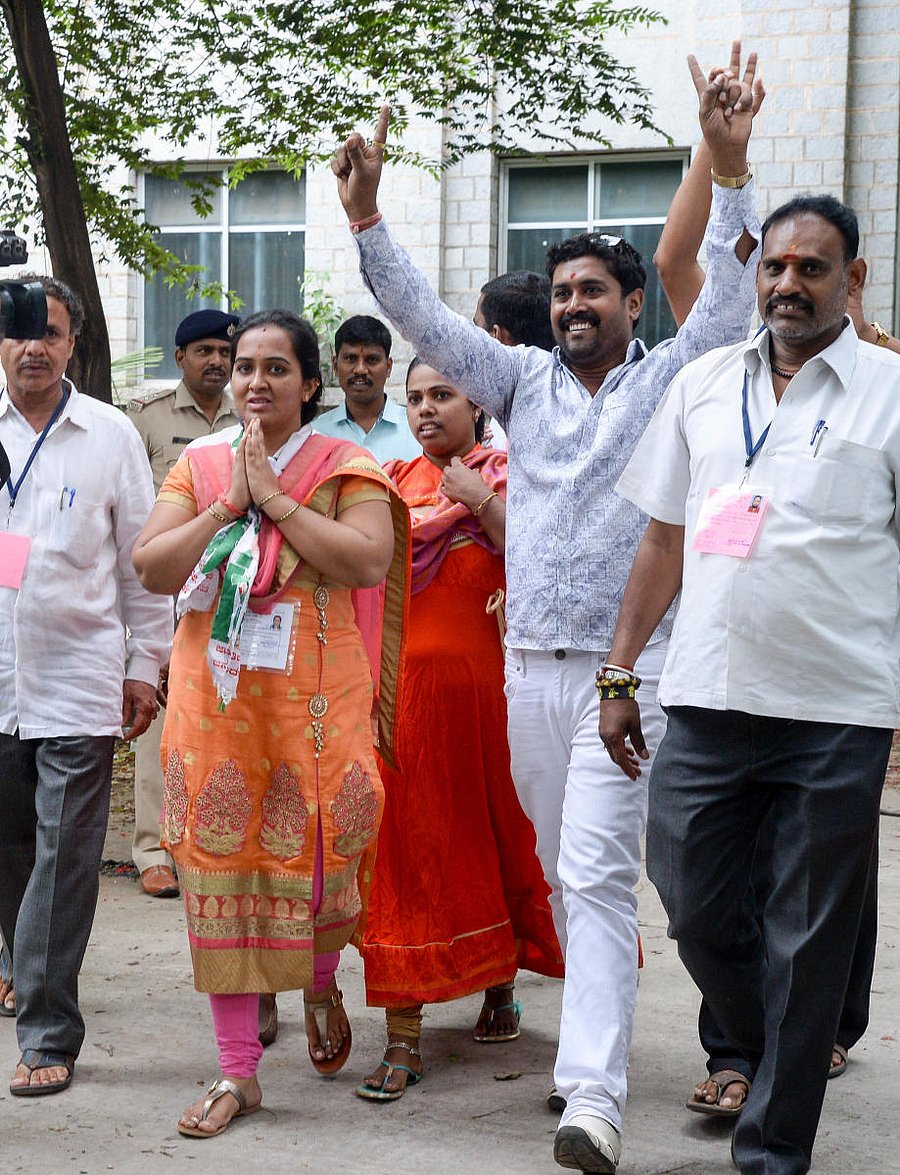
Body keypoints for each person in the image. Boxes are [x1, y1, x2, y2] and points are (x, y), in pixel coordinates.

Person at [332, 44, 762, 1174]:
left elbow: (730, 293)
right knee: (573, 873)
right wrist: (368, 218)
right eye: (561, 291)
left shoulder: (672, 376)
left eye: (593, 290)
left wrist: (729, 166)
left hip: (632, 671)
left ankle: (594, 1097)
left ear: (632, 304)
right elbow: (425, 321)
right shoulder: (518, 382)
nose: (573, 303)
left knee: (602, 868)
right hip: (528, 668)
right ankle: (591, 1049)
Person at [600, 194, 900, 1175]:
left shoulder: (891, 392)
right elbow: (663, 536)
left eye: (812, 267)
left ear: (853, 279)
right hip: (708, 694)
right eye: (775, 265)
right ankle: (785, 1034)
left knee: (808, 938)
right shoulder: (700, 383)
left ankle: (772, 1149)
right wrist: (619, 669)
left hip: (837, 709)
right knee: (688, 895)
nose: (787, 284)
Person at [132, 308, 409, 1139]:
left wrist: (279, 500)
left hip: (318, 707)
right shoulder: (201, 462)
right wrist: (228, 506)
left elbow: (368, 559)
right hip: (216, 708)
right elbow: (153, 566)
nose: (255, 380)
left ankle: (318, 977)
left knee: (322, 862)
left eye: (276, 367)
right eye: (246, 365)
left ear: (310, 383)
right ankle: (237, 1071)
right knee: (222, 869)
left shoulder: (345, 465)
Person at [355, 359, 563, 1101]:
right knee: (406, 854)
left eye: (441, 395)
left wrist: (482, 501)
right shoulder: (386, 484)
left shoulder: (513, 475)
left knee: (500, 841)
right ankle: (403, 1033)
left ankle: (499, 986)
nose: (425, 409)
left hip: (498, 710)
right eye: (414, 397)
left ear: (478, 404)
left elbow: (548, 561)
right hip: (405, 709)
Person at [0, 275, 172, 1096]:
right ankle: (20, 959)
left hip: (78, 679)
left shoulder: (109, 435)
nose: (34, 346)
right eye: (18, 331)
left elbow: (143, 564)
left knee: (65, 856)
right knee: (10, 853)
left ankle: (46, 1028)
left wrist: (145, 664)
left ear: (73, 343)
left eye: (51, 332)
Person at [127, 309, 241, 900]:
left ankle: (213, 845)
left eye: (225, 352)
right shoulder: (146, 420)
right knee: (161, 719)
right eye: (205, 351)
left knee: (227, 719)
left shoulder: (250, 415)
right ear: (180, 358)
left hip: (236, 593)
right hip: (165, 592)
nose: (217, 362)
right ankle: (153, 850)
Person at [314, 314, 420, 462]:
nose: (360, 370)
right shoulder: (317, 434)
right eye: (351, 359)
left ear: (388, 367)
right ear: (335, 366)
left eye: (372, 359)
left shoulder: (416, 430)